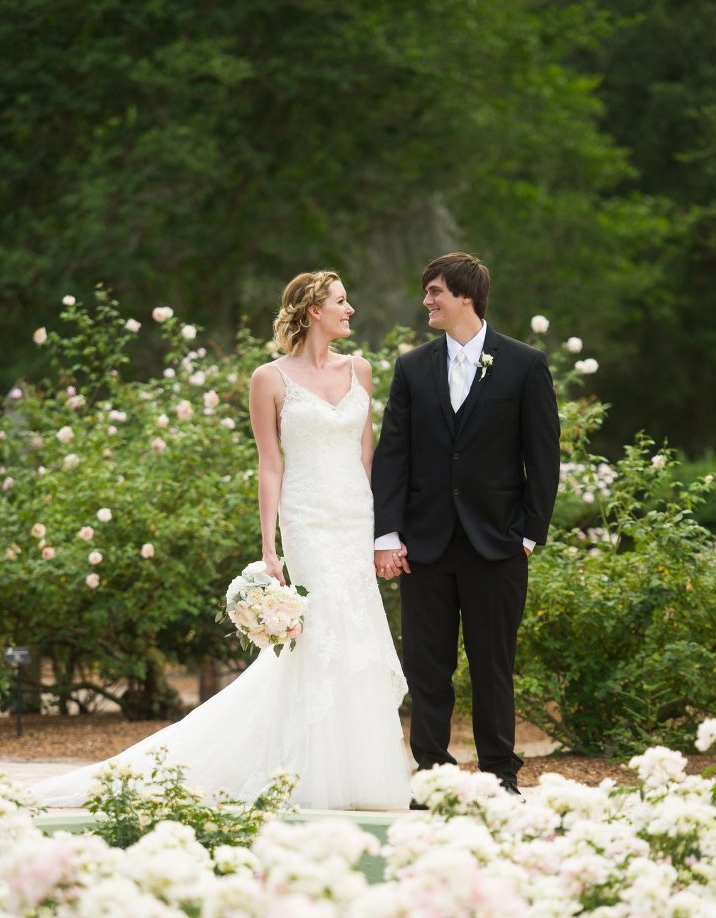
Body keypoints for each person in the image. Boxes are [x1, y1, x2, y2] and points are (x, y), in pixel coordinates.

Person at [34, 271, 411, 811]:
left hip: (354, 518)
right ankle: (304, 775)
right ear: (312, 312)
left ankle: (359, 776)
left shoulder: (361, 370)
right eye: (341, 302)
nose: (350, 310)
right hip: (305, 521)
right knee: (320, 636)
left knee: (359, 638)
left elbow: (367, 455)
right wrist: (269, 548)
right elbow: (269, 465)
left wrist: (382, 530)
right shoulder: (270, 378)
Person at [372, 252, 560, 803]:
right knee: (427, 668)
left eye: (434, 292)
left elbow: (542, 457)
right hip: (424, 544)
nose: (427, 301)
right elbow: (394, 455)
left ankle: (500, 774)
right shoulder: (412, 368)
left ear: (464, 296)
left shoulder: (525, 365)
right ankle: (432, 776)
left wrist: (528, 533)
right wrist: (387, 534)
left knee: (492, 666)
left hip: (496, 543)